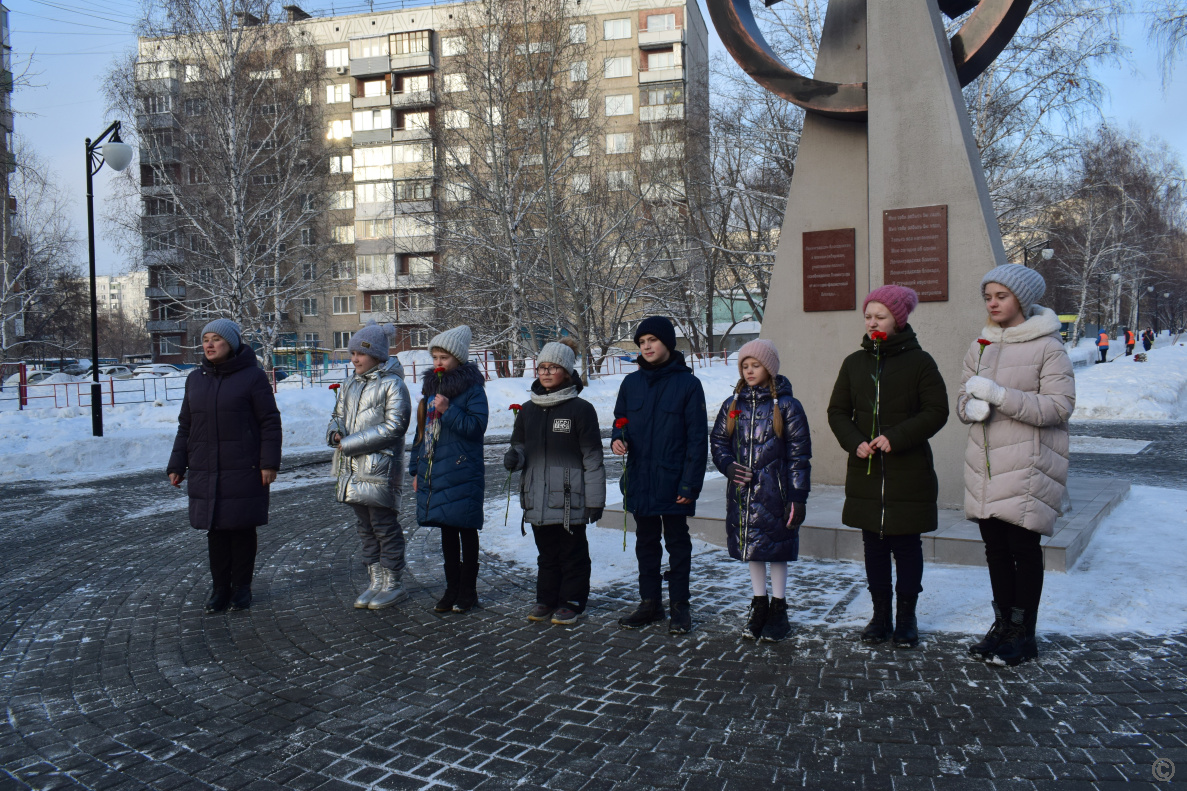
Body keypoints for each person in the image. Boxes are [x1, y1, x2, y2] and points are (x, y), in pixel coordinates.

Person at [959, 264, 1074, 667]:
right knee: (995, 549)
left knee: (1022, 549)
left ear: (1020, 299)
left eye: (1000, 296)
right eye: (988, 296)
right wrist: (969, 407)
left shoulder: (1048, 347)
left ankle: (1024, 635)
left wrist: (999, 395)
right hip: (987, 466)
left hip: (1028, 464)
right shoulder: (981, 345)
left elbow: (1060, 407)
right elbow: (963, 396)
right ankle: (1003, 625)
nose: (992, 303)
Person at [826, 285, 948, 649]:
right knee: (874, 547)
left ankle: (906, 616)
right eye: (868, 316)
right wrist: (854, 441)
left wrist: (898, 436)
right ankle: (880, 615)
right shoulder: (853, 362)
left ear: (899, 319)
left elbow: (936, 411)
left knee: (907, 547)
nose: (872, 323)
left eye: (880, 317)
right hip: (866, 473)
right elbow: (837, 412)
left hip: (908, 473)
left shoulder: (920, 362)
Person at [167, 319, 281, 614]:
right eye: (206, 339)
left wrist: (269, 463)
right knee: (215, 531)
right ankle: (220, 589)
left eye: (216, 339)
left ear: (230, 344)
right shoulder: (195, 379)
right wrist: (178, 463)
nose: (209, 344)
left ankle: (242, 588)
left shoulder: (252, 377)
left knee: (241, 529)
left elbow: (269, 422)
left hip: (243, 467)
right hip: (206, 469)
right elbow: (186, 426)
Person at [709, 339, 811, 643]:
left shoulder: (788, 406)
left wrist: (797, 496)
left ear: (769, 367)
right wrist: (728, 466)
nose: (750, 370)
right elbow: (719, 442)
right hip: (743, 493)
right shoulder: (734, 405)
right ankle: (759, 604)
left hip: (774, 493)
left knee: (777, 548)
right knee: (752, 546)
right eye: (745, 365)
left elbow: (799, 455)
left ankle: (779, 609)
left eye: (756, 365)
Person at [612, 316, 708, 634]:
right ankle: (650, 603)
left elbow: (697, 439)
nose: (646, 346)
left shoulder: (688, 385)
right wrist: (617, 438)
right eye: (641, 342)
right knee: (646, 543)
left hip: (673, 480)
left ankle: (680, 606)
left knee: (677, 543)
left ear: (667, 342)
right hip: (640, 478)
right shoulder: (631, 384)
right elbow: (620, 420)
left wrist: (690, 484)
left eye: (652, 340)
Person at [504, 338, 606, 625]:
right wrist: (514, 457)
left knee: (572, 553)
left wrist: (595, 500)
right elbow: (519, 447)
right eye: (542, 367)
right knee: (546, 554)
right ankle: (546, 599)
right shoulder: (527, 410)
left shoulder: (580, 410)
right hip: (536, 495)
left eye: (554, 367)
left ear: (567, 372)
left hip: (569, 498)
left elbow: (592, 459)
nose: (546, 372)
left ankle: (571, 601)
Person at [327, 322, 412, 610]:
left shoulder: (392, 384)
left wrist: (349, 443)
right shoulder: (351, 383)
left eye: (360, 354)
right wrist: (335, 432)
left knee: (384, 526)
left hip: (380, 469)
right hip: (352, 469)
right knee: (364, 527)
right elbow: (338, 414)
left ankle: (393, 583)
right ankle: (375, 580)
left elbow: (394, 427)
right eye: (352, 353)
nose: (354, 359)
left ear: (376, 355)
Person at [409, 325, 488, 614]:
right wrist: (416, 470)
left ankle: (469, 591)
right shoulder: (431, 389)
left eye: (444, 357)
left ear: (458, 358)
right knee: (446, 532)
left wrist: (448, 410)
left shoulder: (473, 389)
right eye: (435, 357)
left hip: (463, 470)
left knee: (466, 530)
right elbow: (421, 433)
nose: (438, 363)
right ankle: (450, 589)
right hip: (436, 470)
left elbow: (476, 428)